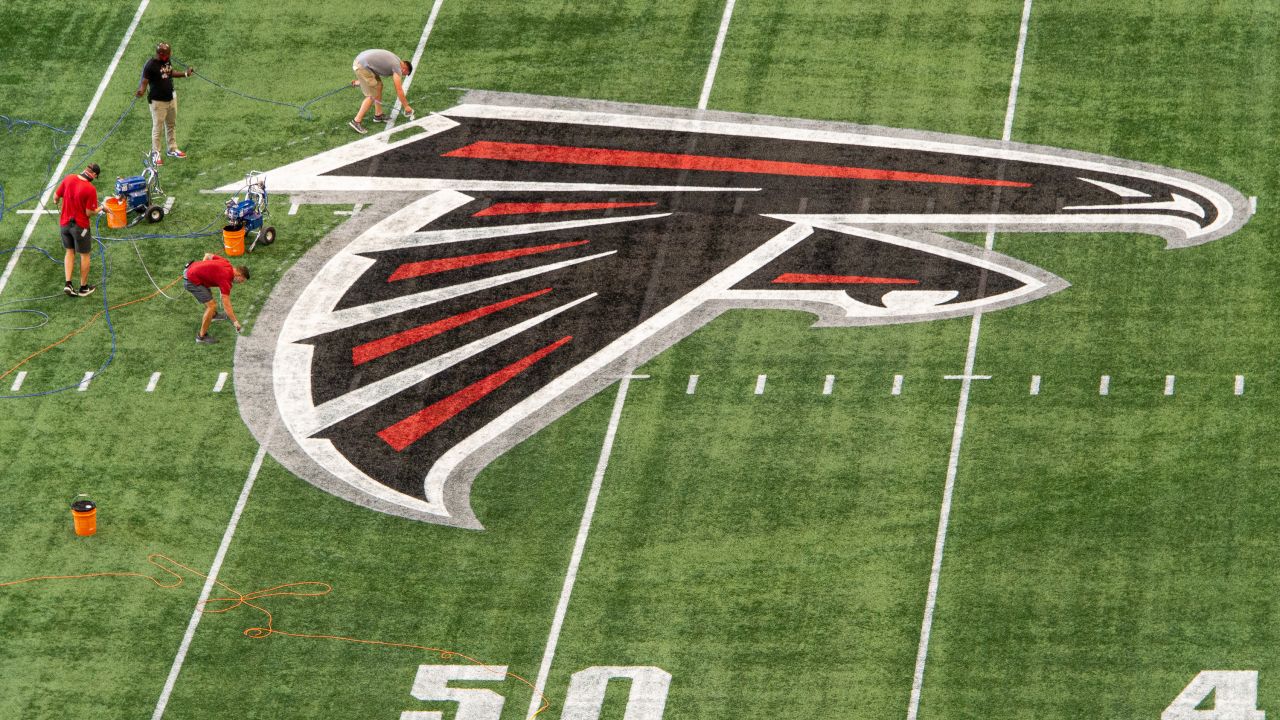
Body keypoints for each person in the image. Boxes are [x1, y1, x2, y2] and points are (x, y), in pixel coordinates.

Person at [135, 42, 193, 165]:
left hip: (171, 98)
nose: (169, 55)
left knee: (171, 125)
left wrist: (186, 74)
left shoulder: (166, 61)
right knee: (158, 128)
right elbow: (144, 81)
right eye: (167, 53)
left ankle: (172, 149)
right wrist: (141, 90)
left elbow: (170, 73)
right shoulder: (150, 65)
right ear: (161, 54)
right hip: (158, 102)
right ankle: (156, 154)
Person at [53, 163, 102, 297]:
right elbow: (89, 212)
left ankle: (68, 283)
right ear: (94, 175)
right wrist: (101, 208)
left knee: (69, 252)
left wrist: (58, 203)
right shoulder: (90, 189)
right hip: (81, 228)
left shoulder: (69, 178)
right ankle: (83, 288)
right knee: (84, 255)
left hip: (64, 224)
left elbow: (55, 198)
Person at [183, 253, 249, 344]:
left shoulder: (227, 263)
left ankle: (213, 316)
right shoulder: (226, 278)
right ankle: (201, 337)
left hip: (191, 270)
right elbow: (226, 304)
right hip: (191, 280)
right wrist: (235, 322)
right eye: (242, 280)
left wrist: (203, 270)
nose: (240, 283)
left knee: (210, 299)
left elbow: (207, 255)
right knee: (212, 306)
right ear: (239, 274)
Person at [348, 49, 413, 135]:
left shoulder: (397, 60)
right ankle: (356, 121)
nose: (402, 75)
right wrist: (406, 106)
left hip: (361, 62)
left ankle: (378, 115)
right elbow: (399, 89)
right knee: (372, 95)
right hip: (362, 66)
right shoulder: (397, 67)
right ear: (404, 69)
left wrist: (361, 81)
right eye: (404, 74)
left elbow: (375, 66)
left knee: (378, 85)